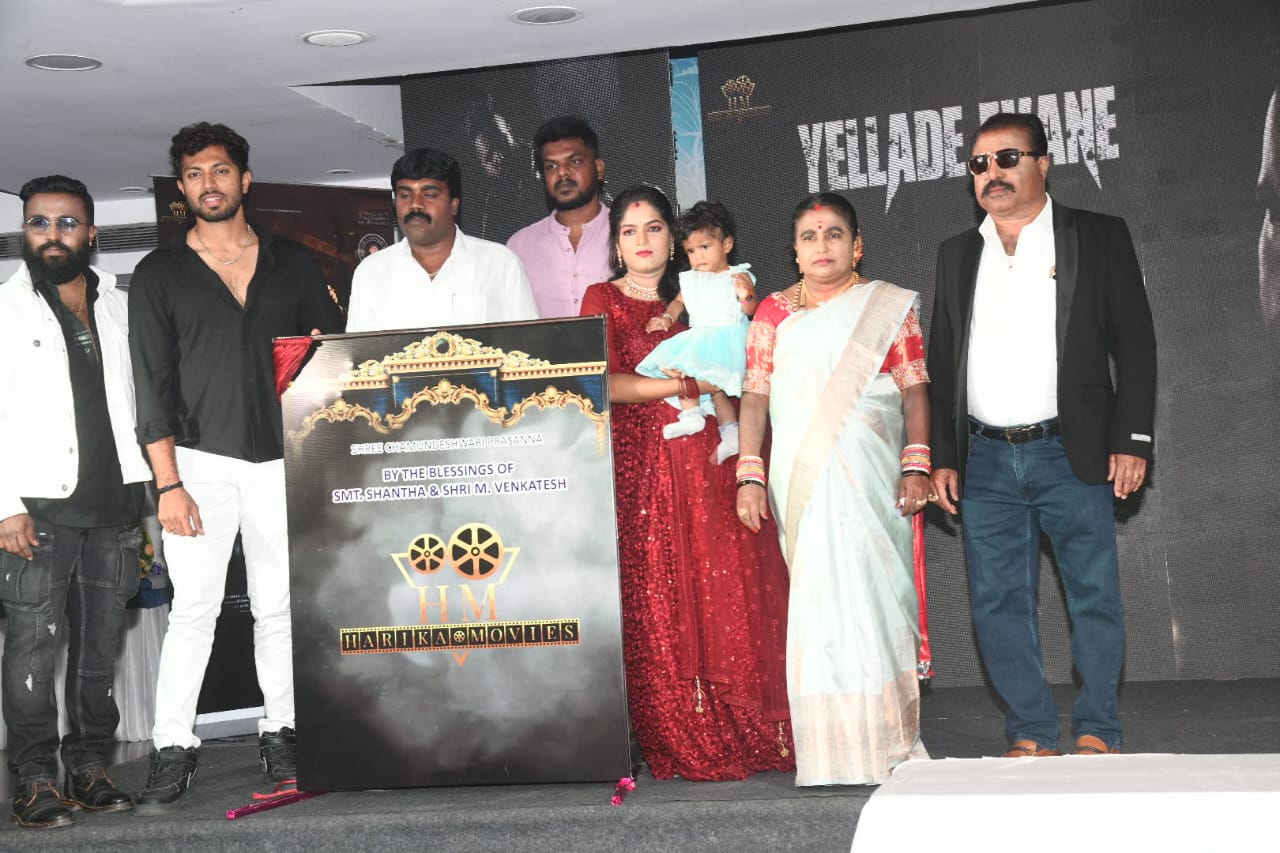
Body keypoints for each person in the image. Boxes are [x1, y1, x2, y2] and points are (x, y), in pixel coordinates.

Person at [129, 122, 344, 813]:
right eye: (194, 173)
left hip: (283, 460)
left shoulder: (294, 263)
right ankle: (172, 745)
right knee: (193, 609)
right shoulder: (159, 273)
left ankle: (282, 732)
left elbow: (329, 356)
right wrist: (168, 483)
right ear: (182, 187)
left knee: (279, 606)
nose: (209, 183)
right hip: (195, 464)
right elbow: (150, 385)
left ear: (244, 179)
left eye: (220, 170)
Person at [927, 113, 1156, 758]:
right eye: (979, 164)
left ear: (1043, 163)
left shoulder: (1096, 236)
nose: (992, 174)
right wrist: (944, 455)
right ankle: (1030, 730)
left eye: (1007, 158)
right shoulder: (957, 253)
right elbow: (943, 361)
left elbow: (1135, 345)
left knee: (1093, 595)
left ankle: (1099, 727)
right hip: (984, 459)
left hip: (1072, 450)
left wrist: (1132, 439)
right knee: (997, 602)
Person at [579, 185, 794, 780]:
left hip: (719, 459)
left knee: (733, 586)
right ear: (615, 244)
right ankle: (685, 728)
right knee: (663, 593)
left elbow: (754, 358)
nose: (642, 241)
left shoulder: (705, 287)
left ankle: (755, 727)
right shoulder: (602, 298)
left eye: (653, 228)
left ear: (673, 239)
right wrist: (683, 386)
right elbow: (601, 382)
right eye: (629, 231)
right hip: (647, 467)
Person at [736, 192, 930, 786]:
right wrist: (749, 471)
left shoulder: (887, 308)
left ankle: (888, 742)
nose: (822, 246)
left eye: (834, 234)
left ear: (857, 245)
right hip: (803, 477)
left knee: (873, 594)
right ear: (794, 252)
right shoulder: (772, 314)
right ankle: (830, 750)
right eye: (809, 237)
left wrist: (917, 463)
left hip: (871, 475)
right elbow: (755, 396)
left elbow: (914, 389)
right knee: (819, 602)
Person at [0, 176, 149, 829]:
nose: (52, 235)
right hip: (36, 508)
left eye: (66, 223)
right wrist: (4, 504)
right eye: (39, 222)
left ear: (91, 232)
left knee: (99, 651)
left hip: (115, 505)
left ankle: (89, 768)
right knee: (32, 650)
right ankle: (34, 780)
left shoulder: (119, 304)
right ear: (24, 232)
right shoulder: (5, 310)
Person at [346, 146, 538, 331]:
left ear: (454, 205)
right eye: (405, 195)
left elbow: (527, 343)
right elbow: (361, 352)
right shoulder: (371, 272)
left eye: (429, 195)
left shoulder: (499, 263)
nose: (415, 205)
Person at [636, 201, 758, 463]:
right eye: (691, 250)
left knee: (716, 389)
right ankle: (695, 417)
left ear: (726, 244)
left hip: (729, 338)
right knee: (684, 372)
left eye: (705, 247)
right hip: (700, 337)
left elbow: (751, 310)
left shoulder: (738, 276)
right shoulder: (692, 279)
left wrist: (746, 295)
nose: (698, 256)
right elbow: (678, 302)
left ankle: (728, 433)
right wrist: (667, 317)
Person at [508, 115, 612, 319]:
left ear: (599, 169)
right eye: (551, 166)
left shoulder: (629, 234)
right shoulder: (519, 246)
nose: (563, 173)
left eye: (575, 161)